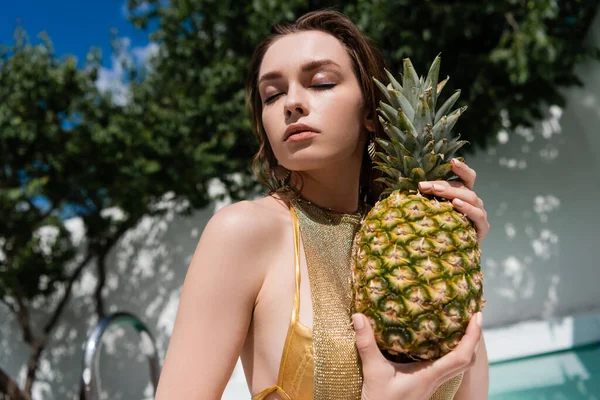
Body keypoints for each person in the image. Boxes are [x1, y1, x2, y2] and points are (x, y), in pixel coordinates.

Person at [155, 9, 490, 400]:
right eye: (272, 94)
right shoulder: (244, 231)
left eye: (321, 82)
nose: (291, 103)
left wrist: (456, 254)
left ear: (370, 112)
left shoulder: (402, 237)